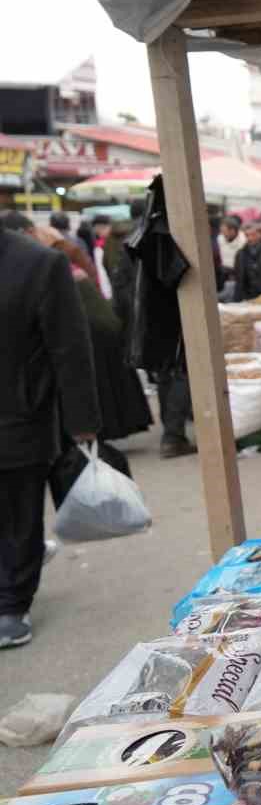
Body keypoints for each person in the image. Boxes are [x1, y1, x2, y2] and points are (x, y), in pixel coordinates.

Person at [0, 213, 100, 648]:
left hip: (20, 415)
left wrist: (83, 423)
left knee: (19, 514)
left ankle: (11, 603)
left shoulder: (39, 264)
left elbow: (70, 346)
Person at [27, 225, 153, 444]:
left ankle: (100, 433)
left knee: (99, 383)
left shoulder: (53, 260)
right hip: (103, 323)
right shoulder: (66, 254)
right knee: (111, 382)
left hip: (90, 327)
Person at [216, 216, 245, 289]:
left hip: (238, 273)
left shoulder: (243, 241)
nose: (223, 234)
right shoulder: (220, 238)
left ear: (232, 230)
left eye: (224, 232)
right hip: (224, 272)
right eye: (221, 231)